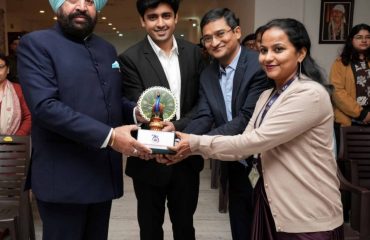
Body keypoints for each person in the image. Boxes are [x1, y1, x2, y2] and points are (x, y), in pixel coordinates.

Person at [162, 18, 344, 239]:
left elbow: (255, 141)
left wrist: (193, 143)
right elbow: (244, 142)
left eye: (278, 49)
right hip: (271, 202)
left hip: (306, 212)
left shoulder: (309, 94)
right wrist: (188, 140)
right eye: (263, 50)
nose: (268, 57)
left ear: (301, 53)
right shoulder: (268, 94)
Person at [17, 0, 151, 239]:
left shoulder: (107, 49)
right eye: (72, 0)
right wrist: (110, 137)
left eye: (89, 1)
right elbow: (45, 107)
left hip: (101, 174)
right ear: (58, 5)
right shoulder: (36, 44)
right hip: (62, 179)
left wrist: (135, 113)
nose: (81, 6)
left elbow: (111, 100)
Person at [117, 0, 204, 239]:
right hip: (147, 158)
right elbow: (139, 104)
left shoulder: (195, 54)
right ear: (142, 21)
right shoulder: (130, 58)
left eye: (166, 15)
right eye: (152, 17)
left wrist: (179, 126)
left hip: (186, 155)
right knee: (150, 228)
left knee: (185, 227)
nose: (160, 23)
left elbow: (202, 102)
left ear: (176, 17)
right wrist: (160, 144)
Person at [183, 8, 270, 240]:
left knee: (266, 229)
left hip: (267, 164)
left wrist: (194, 144)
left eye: (220, 34)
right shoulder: (208, 74)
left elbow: (245, 119)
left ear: (237, 32)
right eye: (208, 38)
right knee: (240, 226)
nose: (214, 42)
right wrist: (179, 140)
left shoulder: (258, 65)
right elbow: (204, 115)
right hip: (235, 163)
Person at [330, 23, 370, 221]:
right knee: (347, 168)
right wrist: (361, 114)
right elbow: (337, 93)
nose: (364, 40)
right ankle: (345, 215)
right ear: (351, 40)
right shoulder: (341, 63)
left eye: (367, 37)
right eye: (359, 36)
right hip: (348, 123)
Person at [0, 52, 31, 135]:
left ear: (8, 70)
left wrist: (18, 137)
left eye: (0, 67)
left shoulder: (18, 89)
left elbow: (28, 116)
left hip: (13, 143)